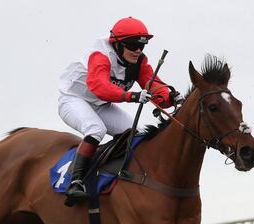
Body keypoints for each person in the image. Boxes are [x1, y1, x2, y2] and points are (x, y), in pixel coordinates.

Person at [58, 16, 185, 206]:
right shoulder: (100, 55)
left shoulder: (139, 61)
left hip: (100, 105)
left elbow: (152, 84)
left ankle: (117, 176)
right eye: (133, 44)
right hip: (74, 100)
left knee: (136, 134)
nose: (138, 50)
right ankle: (75, 183)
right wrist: (131, 96)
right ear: (116, 44)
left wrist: (169, 97)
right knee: (95, 129)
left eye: (142, 45)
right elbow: (98, 86)